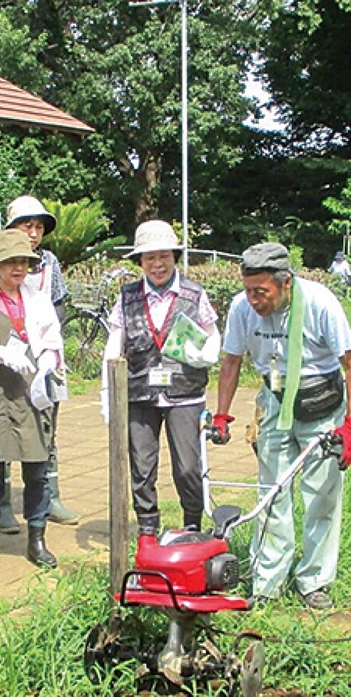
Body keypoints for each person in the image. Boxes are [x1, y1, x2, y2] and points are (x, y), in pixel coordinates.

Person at [215, 242, 351, 611]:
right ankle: (267, 582)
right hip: (275, 402)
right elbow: (231, 362)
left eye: (261, 292)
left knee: (321, 496)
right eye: (248, 291)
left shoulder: (320, 303)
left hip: (321, 404)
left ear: (285, 283)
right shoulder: (241, 308)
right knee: (271, 495)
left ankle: (314, 581)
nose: (253, 300)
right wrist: (221, 413)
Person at [102, 219, 220, 537]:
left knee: (188, 467)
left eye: (164, 256)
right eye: (150, 258)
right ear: (140, 262)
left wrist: (205, 355)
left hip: (186, 393)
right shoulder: (127, 298)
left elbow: (212, 338)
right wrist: (107, 396)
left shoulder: (195, 294)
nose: (157, 264)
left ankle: (192, 526)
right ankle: (147, 529)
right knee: (142, 464)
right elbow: (114, 346)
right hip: (140, 392)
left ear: (174, 257)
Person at [0, 229, 64, 571]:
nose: (19, 268)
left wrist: (49, 362)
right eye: (11, 261)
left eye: (24, 261)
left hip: (32, 391)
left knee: (37, 469)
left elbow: (53, 340)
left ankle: (37, 539)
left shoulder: (38, 299)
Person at [0, 195, 79, 532]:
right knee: (4, 427)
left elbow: (59, 304)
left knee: (47, 427)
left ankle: (49, 496)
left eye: (39, 226)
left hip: (45, 357)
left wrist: (45, 343)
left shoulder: (50, 263)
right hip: (7, 360)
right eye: (27, 224)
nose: (33, 232)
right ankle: (1, 503)